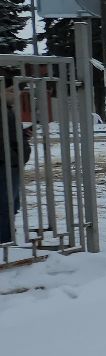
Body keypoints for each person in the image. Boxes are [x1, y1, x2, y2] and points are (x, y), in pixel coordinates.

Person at [1, 78, 27, 246]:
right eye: (10, 90)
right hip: (6, 165)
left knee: (11, 204)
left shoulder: (7, 110)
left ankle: (7, 239)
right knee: (6, 206)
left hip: (11, 164)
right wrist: (14, 155)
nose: (15, 94)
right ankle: (5, 243)